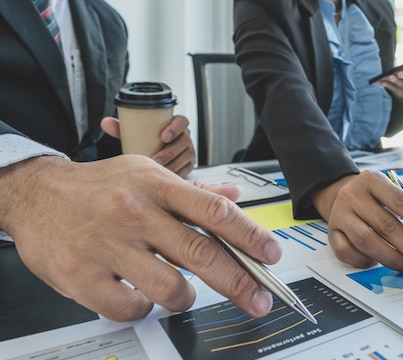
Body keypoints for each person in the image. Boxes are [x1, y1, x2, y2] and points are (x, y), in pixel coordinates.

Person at [0, 0, 282, 322]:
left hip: (102, 257)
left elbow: (98, 142)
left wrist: (153, 157)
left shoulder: (108, 22)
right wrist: (27, 188)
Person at [233, 0, 403, 281]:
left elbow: (385, 127)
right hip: (289, 170)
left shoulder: (378, 7)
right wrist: (334, 183)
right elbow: (281, 86)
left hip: (367, 165)